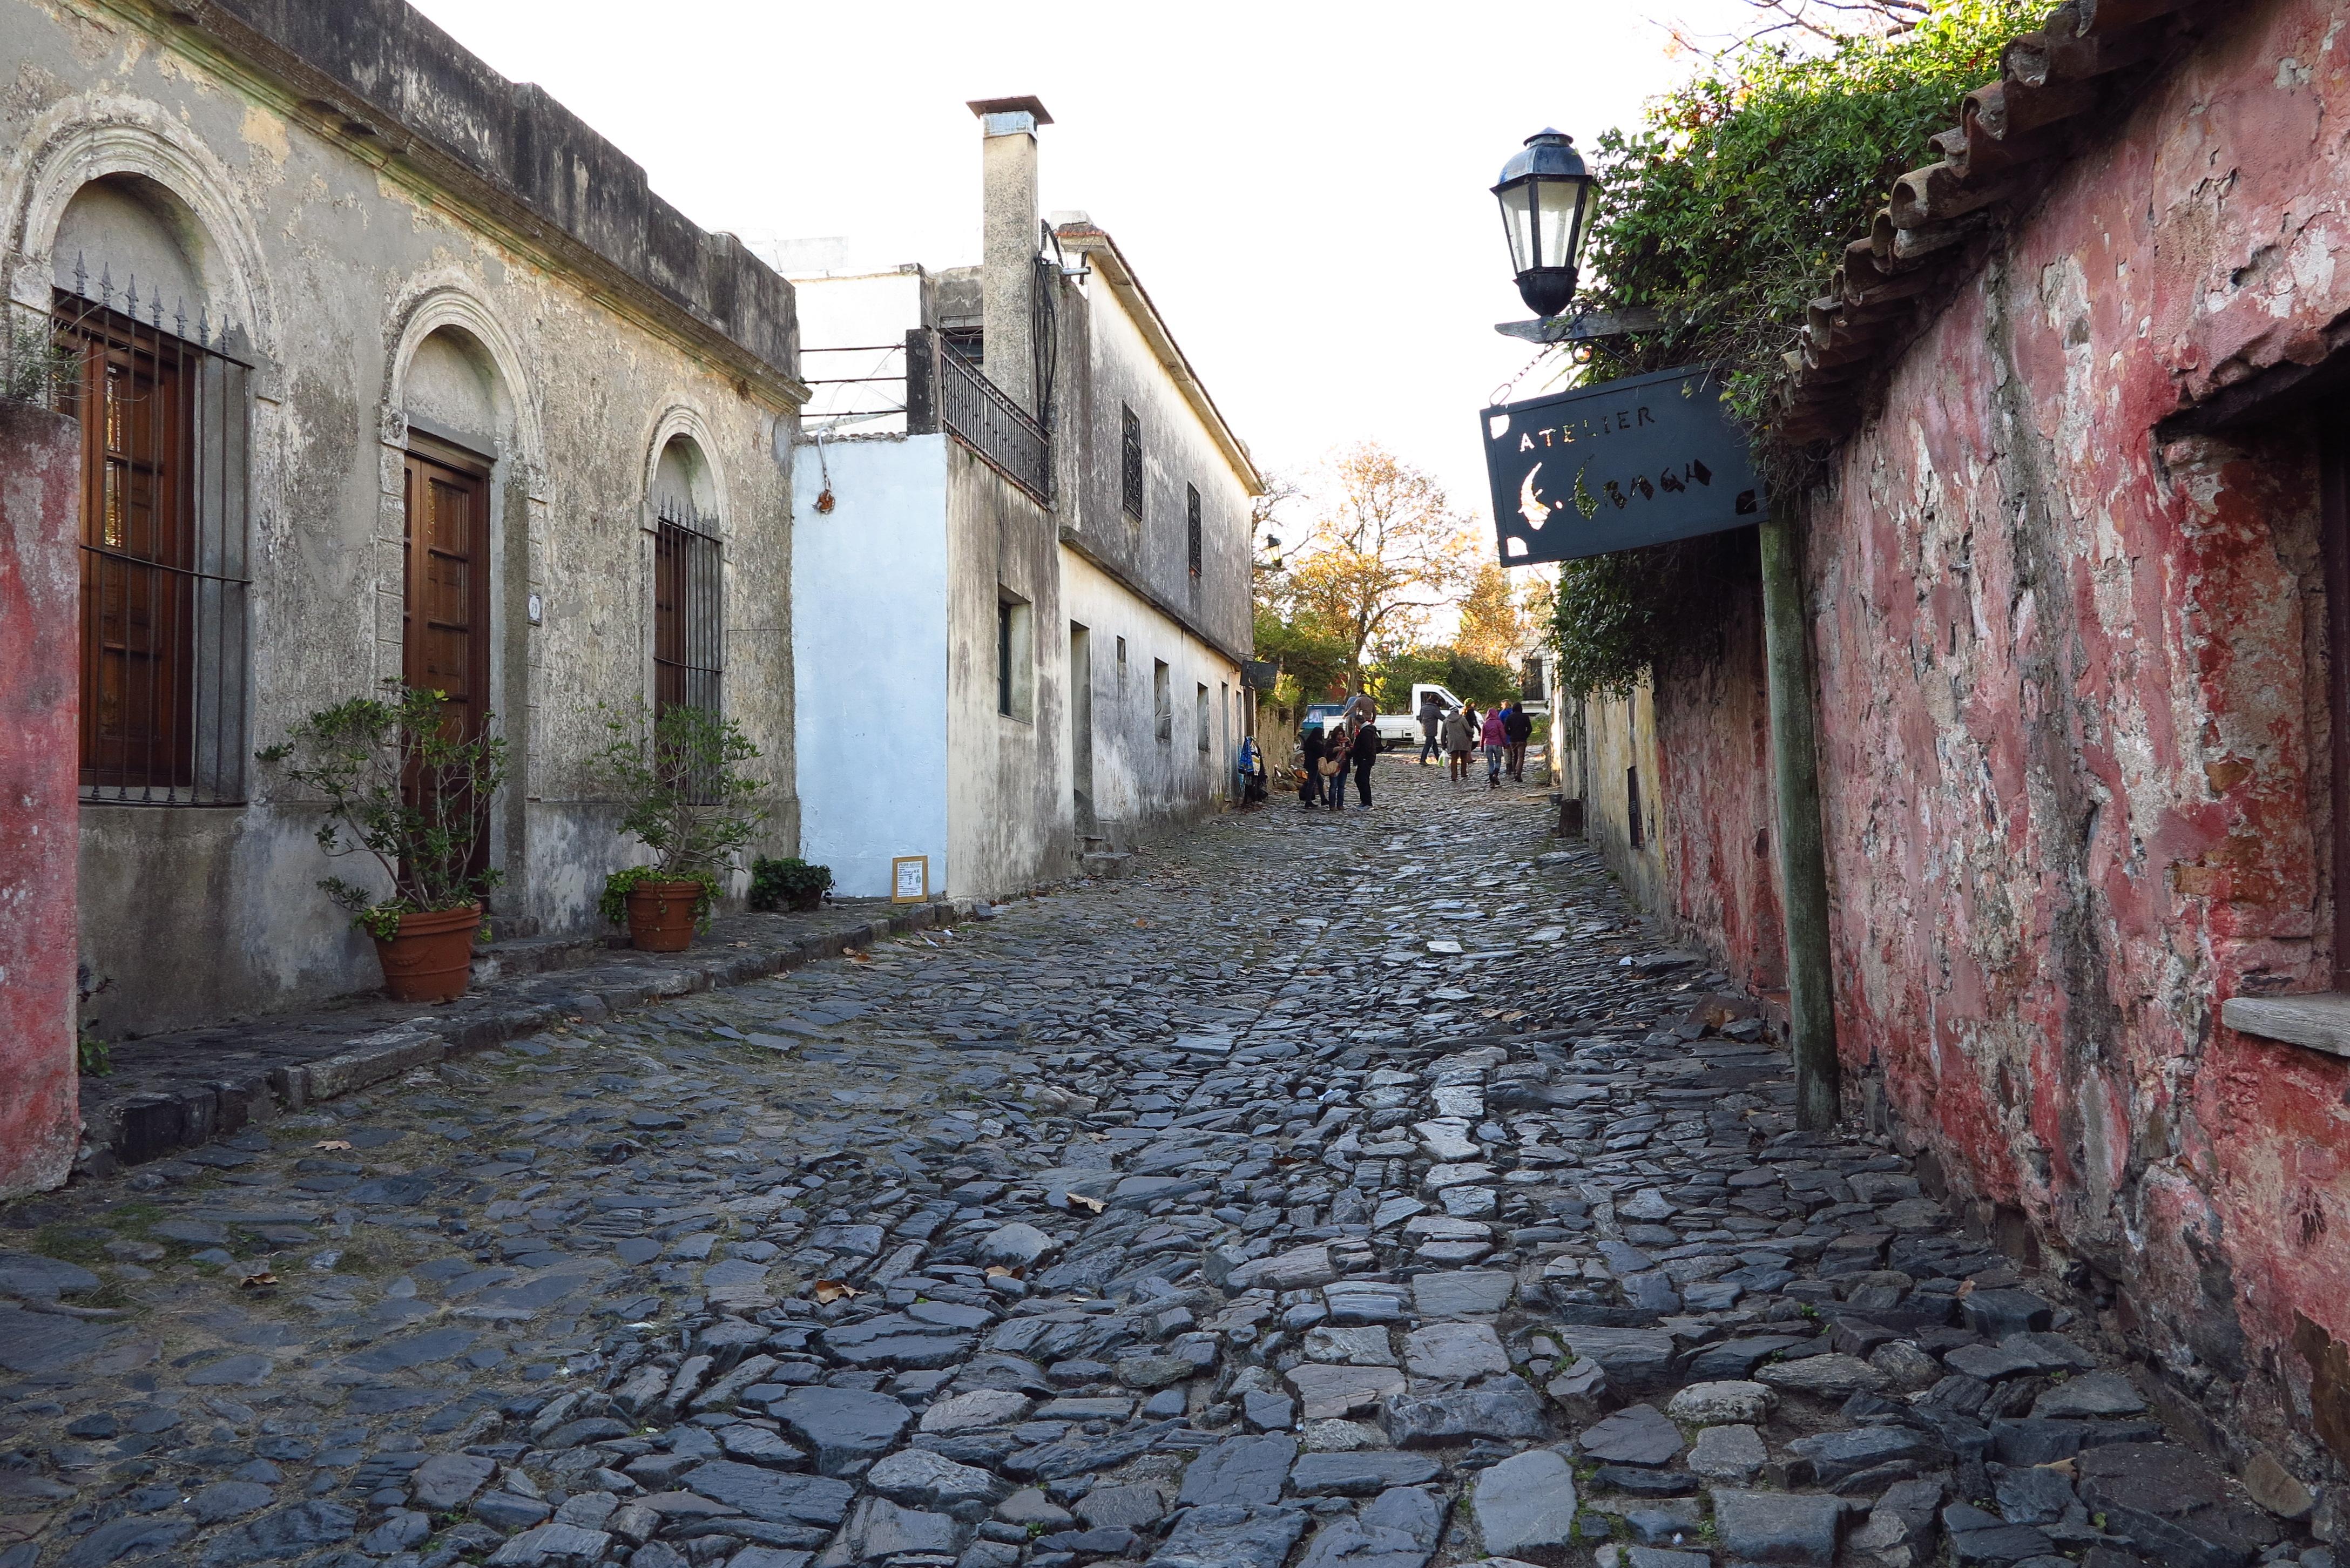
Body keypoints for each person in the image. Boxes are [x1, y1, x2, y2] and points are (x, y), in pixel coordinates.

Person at [1349, 715, 1382, 808]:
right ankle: (1364, 801)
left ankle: (1367, 802)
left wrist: (1354, 752)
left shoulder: (1366, 732)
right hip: (1366, 759)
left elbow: (1365, 747)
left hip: (1365, 760)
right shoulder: (1367, 731)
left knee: (1363, 780)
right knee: (1360, 779)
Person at [1441, 702, 1476, 784]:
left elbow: (1443, 734)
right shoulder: (1462, 719)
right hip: (1463, 741)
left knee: (1454, 759)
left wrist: (1443, 744)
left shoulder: (1446, 721)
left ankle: (1454, 776)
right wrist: (1472, 732)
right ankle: (1464, 773)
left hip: (1452, 742)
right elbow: (1468, 730)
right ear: (1457, 712)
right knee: (1464, 757)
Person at [1503, 700, 1533, 782]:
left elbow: (1506, 729)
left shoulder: (1510, 717)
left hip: (1513, 740)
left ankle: (1514, 773)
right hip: (1522, 739)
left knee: (1514, 756)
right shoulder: (1525, 717)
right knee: (1521, 757)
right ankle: (1518, 773)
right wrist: (1525, 735)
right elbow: (1530, 728)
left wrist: (1510, 734)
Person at [1481, 704, 1509, 789]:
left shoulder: (1486, 723)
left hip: (1488, 744)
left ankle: (1492, 783)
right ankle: (1495, 775)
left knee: (1490, 763)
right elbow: (1503, 734)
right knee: (1498, 761)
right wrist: (1505, 744)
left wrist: (1482, 746)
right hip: (1497, 744)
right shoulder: (1498, 723)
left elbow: (1483, 736)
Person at [1299, 724, 1327, 809]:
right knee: (1312, 783)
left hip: (1309, 764)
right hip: (1314, 765)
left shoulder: (1309, 741)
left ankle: (1323, 799)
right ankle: (1308, 801)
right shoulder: (1317, 743)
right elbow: (1321, 753)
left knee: (1320, 781)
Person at [1417, 692, 1444, 765]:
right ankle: (1423, 760)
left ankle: (1438, 758)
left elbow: (1420, 718)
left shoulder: (1424, 707)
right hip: (1431, 729)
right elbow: (1442, 718)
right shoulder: (1434, 708)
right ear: (1436, 701)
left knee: (1434, 744)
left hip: (1425, 728)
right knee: (1428, 745)